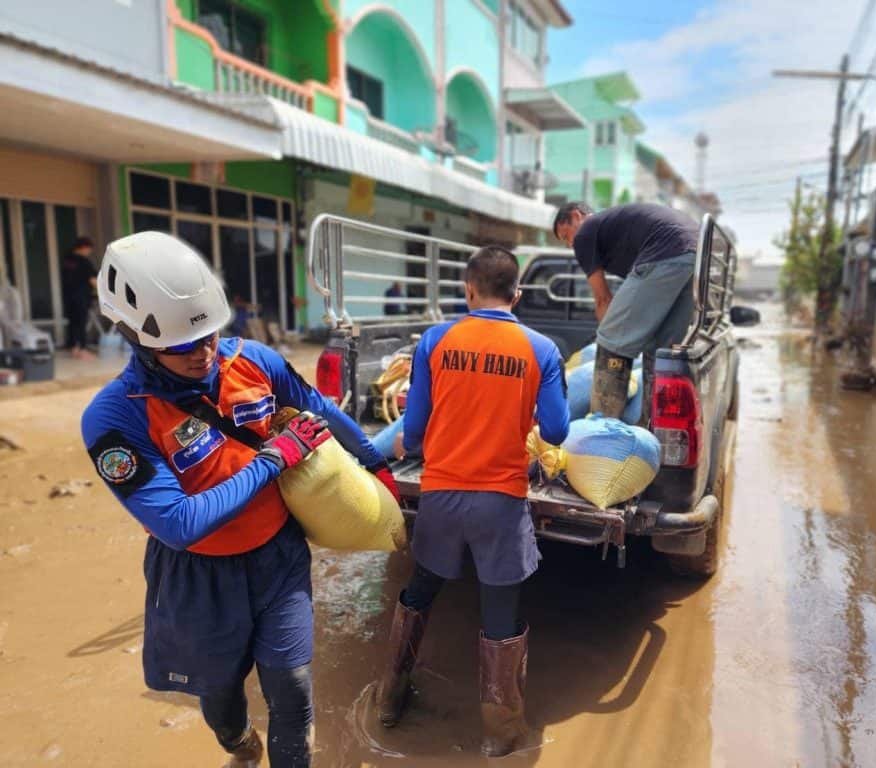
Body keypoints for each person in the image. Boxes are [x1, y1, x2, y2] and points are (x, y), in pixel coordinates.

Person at [80, 231, 400, 767]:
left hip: (278, 557)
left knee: (293, 686)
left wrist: (377, 465)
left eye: (209, 336)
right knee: (221, 697)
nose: (203, 354)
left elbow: (320, 408)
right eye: (184, 346)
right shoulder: (115, 418)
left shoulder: (255, 362)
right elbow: (179, 524)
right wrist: (274, 459)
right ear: (133, 335)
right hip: (196, 575)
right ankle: (238, 744)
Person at [375, 246, 569, 756]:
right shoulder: (541, 349)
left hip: (440, 494)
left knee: (421, 588)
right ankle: (500, 738)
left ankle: (388, 700)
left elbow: (412, 433)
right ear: (518, 295)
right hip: (500, 501)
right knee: (500, 612)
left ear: (467, 290)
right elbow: (557, 429)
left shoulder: (436, 340)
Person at [552, 201, 701, 420]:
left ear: (577, 216)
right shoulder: (615, 227)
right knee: (661, 350)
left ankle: (604, 431)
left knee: (611, 339)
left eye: (566, 236)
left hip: (666, 250)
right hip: (695, 252)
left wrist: (606, 338)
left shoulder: (586, 232)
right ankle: (653, 425)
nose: (570, 245)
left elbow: (603, 299)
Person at [61, 236, 98, 358]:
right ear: (84, 247)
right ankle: (82, 349)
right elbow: (93, 280)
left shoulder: (67, 260)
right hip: (81, 296)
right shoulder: (84, 261)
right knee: (81, 322)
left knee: (73, 322)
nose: (89, 252)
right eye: (89, 250)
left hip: (68, 296)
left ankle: (74, 348)